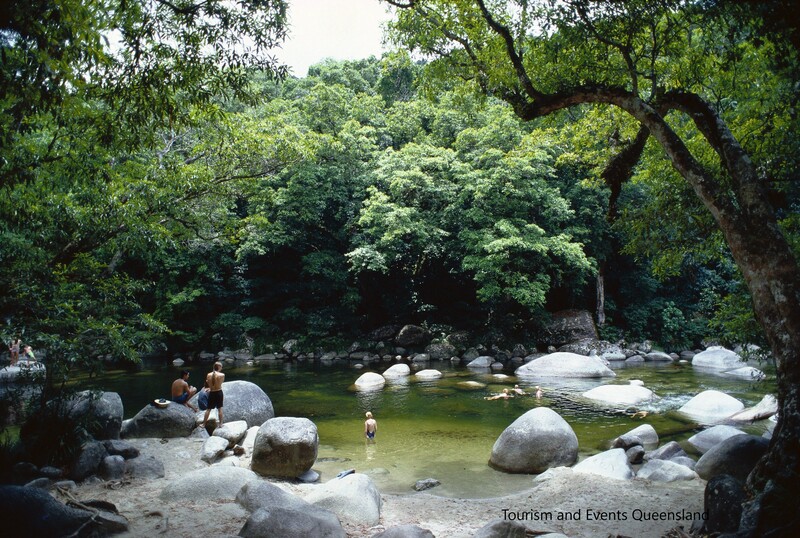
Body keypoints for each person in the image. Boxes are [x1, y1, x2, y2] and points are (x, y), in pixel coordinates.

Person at [201, 362, 225, 428]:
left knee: (208, 409)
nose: (222, 368)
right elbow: (220, 383)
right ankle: (220, 424)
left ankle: (203, 424)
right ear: (219, 367)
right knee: (219, 409)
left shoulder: (208, 375)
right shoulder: (222, 375)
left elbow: (209, 384)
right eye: (221, 367)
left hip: (212, 393)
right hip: (219, 392)